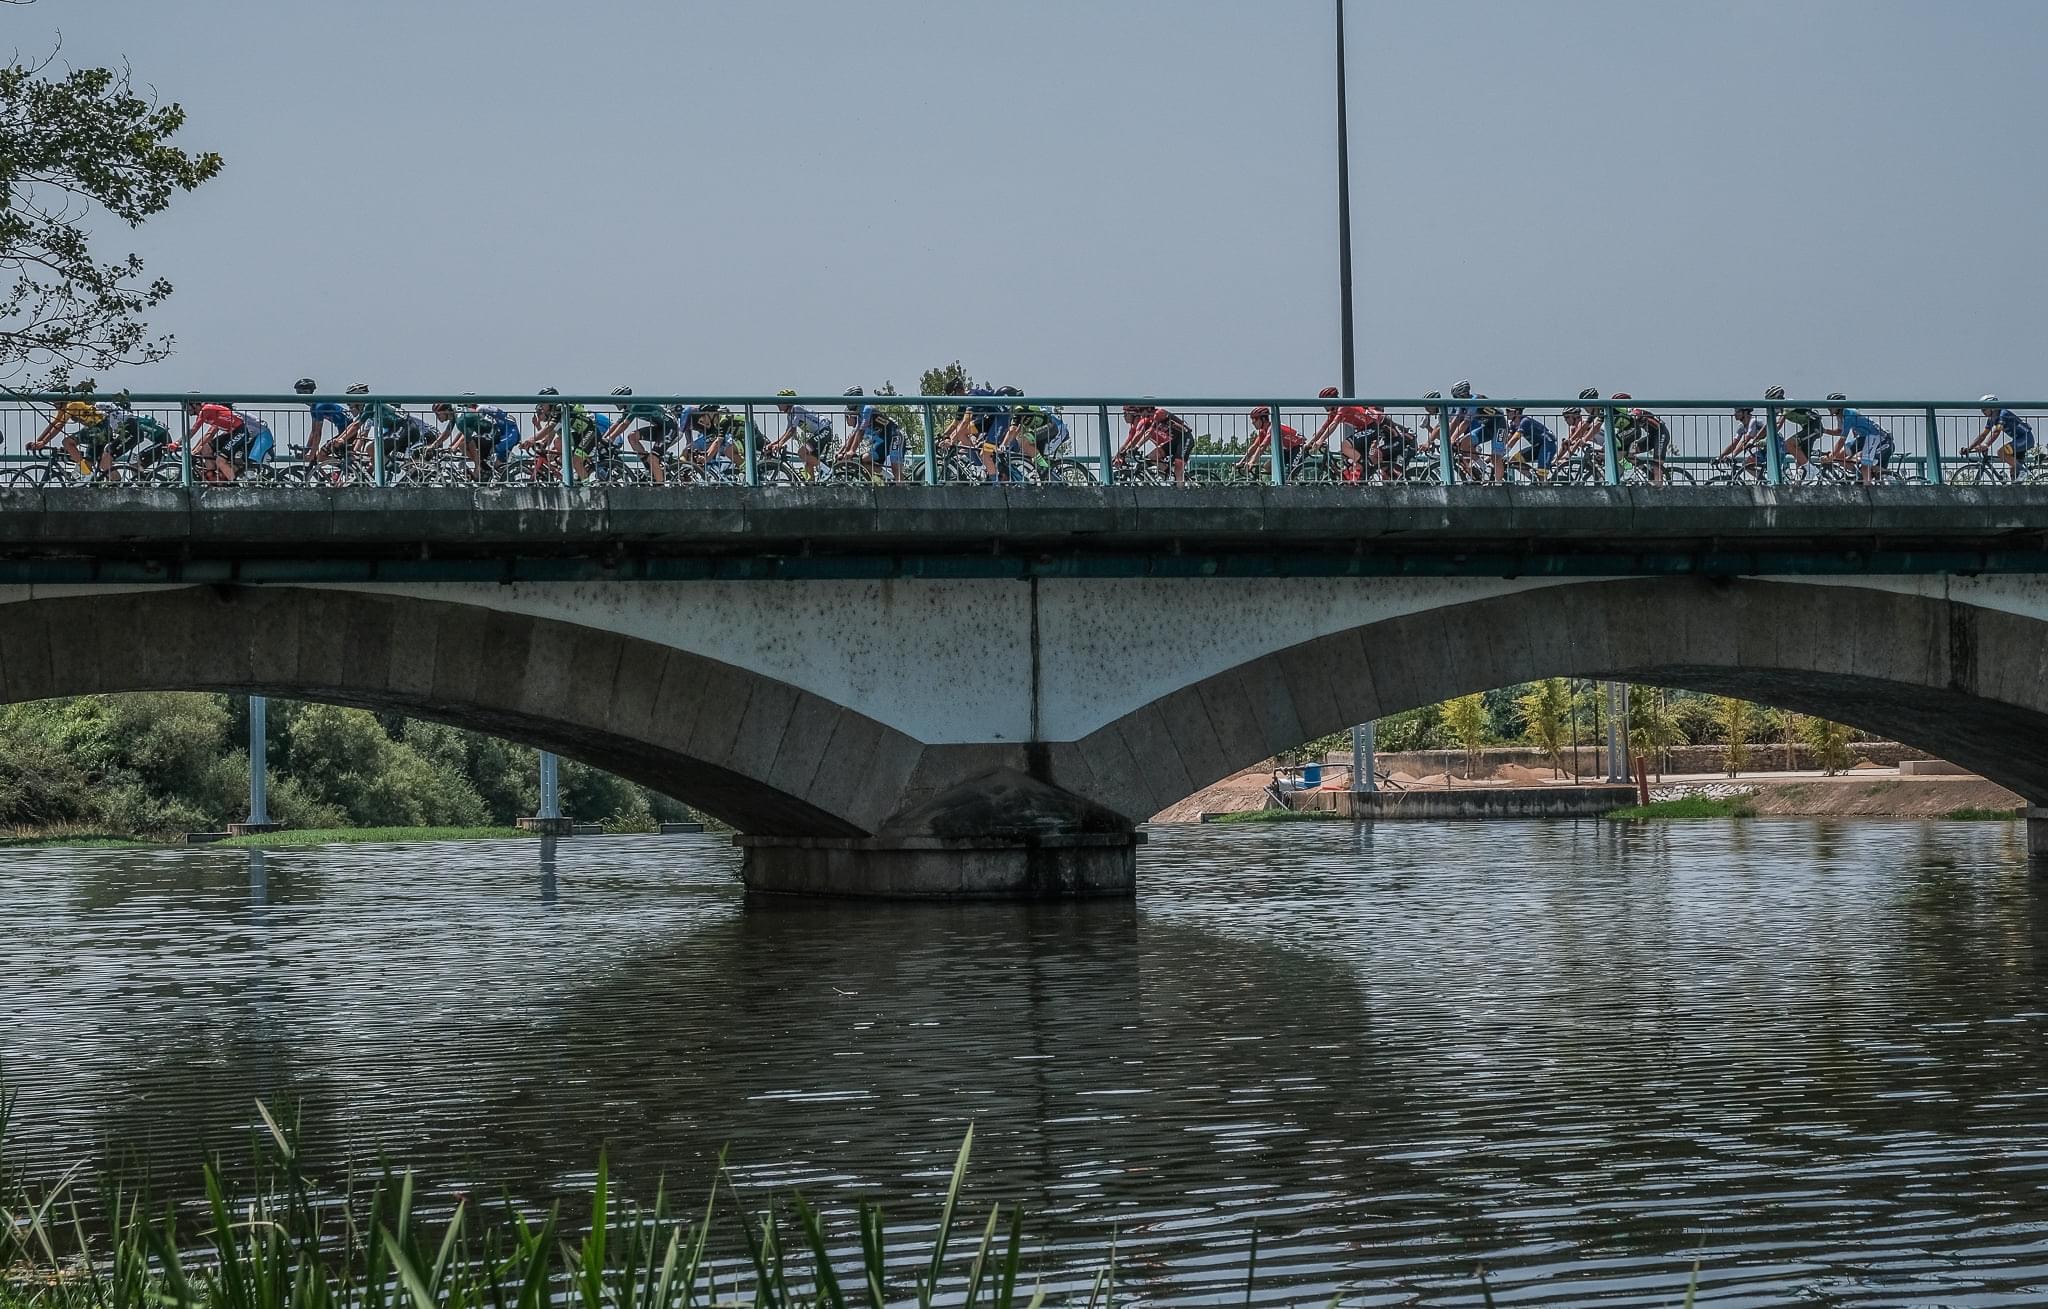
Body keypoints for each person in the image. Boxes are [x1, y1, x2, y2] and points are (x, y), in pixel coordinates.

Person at [1307, 387, 1384, 482]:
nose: (1324, 406)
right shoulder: (1333, 412)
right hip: (1363, 429)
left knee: (1345, 445)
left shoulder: (1343, 406)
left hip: (1371, 427)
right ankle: (1359, 477)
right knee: (1348, 458)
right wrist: (1309, 444)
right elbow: (1323, 428)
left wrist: (1320, 441)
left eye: (1325, 403)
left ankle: (1363, 463)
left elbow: (1334, 424)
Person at [29, 396, 116, 478]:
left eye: (57, 403)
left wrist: (43, 442)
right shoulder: (65, 408)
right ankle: (118, 483)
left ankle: (86, 474)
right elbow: (54, 424)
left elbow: (59, 425)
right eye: (53, 403)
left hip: (100, 429)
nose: (55, 406)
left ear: (63, 400)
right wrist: (37, 442)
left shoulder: (72, 405)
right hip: (101, 429)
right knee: (88, 463)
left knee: (67, 442)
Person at [1821, 393, 1893, 485]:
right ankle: (1857, 474)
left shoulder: (1849, 413)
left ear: (1839, 406)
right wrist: (1824, 430)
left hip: (1873, 435)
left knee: (1865, 465)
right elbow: (1839, 431)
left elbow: (1842, 439)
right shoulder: (1840, 415)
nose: (1828, 409)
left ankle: (1867, 486)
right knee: (1839, 456)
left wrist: (1830, 456)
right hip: (1863, 437)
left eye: (1831, 406)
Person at [611, 387, 676, 484]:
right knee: (632, 437)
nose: (614, 403)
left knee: (653, 458)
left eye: (615, 400)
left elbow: (625, 424)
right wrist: (604, 437)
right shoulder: (628, 408)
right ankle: (649, 466)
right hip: (660, 427)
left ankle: (660, 488)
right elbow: (616, 424)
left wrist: (611, 438)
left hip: (670, 428)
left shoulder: (635, 405)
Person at [1962, 395, 2035, 480]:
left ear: (1992, 407)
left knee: (2001, 452)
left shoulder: (2003, 414)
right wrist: (1969, 448)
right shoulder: (1992, 419)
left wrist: (1985, 444)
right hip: (2018, 440)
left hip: (2026, 438)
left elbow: (1997, 431)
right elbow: (1983, 435)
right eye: (1981, 409)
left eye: (1984, 409)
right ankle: (2015, 488)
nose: (1982, 411)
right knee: (2012, 470)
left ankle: (2024, 472)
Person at [770, 389, 836, 480]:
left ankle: (827, 470)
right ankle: (812, 486)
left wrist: (780, 444)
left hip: (824, 430)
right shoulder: (790, 415)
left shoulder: (796, 408)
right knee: (808, 462)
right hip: (819, 432)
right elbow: (787, 432)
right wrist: (773, 444)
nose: (777, 404)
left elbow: (792, 431)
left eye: (780, 402)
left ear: (787, 402)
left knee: (802, 452)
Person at [182, 396, 248, 483]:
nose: (186, 410)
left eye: (187, 407)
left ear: (194, 404)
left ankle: (234, 485)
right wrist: (195, 450)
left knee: (220, 460)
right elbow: (207, 436)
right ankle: (213, 480)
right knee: (206, 448)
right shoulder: (207, 413)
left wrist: (178, 443)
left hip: (240, 431)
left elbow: (198, 431)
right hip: (231, 433)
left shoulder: (207, 410)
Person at [1236, 405, 1304, 478]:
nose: (1252, 422)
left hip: (1298, 446)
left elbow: (1262, 446)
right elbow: (1254, 446)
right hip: (1288, 450)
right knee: (1268, 467)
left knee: (1292, 472)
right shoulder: (1263, 431)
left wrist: (1252, 462)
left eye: (1255, 419)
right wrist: (1241, 462)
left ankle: (1291, 484)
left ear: (1263, 419)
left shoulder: (1272, 428)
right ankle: (1279, 483)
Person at [294, 379, 353, 457]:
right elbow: (313, 431)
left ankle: (345, 467)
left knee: (321, 455)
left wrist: (312, 454)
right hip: (343, 429)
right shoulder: (313, 408)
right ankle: (343, 467)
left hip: (349, 429)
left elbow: (318, 433)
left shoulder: (319, 406)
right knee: (320, 455)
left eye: (300, 393)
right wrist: (307, 449)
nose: (298, 396)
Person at [1501, 407, 1557, 479]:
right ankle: (1534, 481)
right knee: (1514, 461)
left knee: (1541, 474)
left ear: (1517, 412)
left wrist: (1503, 452)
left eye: (1508, 411)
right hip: (1538, 446)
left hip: (1548, 445)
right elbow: (1507, 440)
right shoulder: (1513, 424)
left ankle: (1544, 486)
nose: (1506, 413)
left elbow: (1515, 439)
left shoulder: (1525, 421)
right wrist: (1495, 454)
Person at [1715, 406, 1768, 479]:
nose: (1735, 414)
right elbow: (1734, 444)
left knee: (1746, 464)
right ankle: (1764, 481)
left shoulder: (1754, 422)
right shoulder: (1742, 427)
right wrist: (1719, 457)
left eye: (1738, 411)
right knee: (1746, 464)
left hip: (1772, 449)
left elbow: (1745, 440)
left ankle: (1766, 483)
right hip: (1763, 450)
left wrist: (1732, 455)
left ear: (1745, 412)